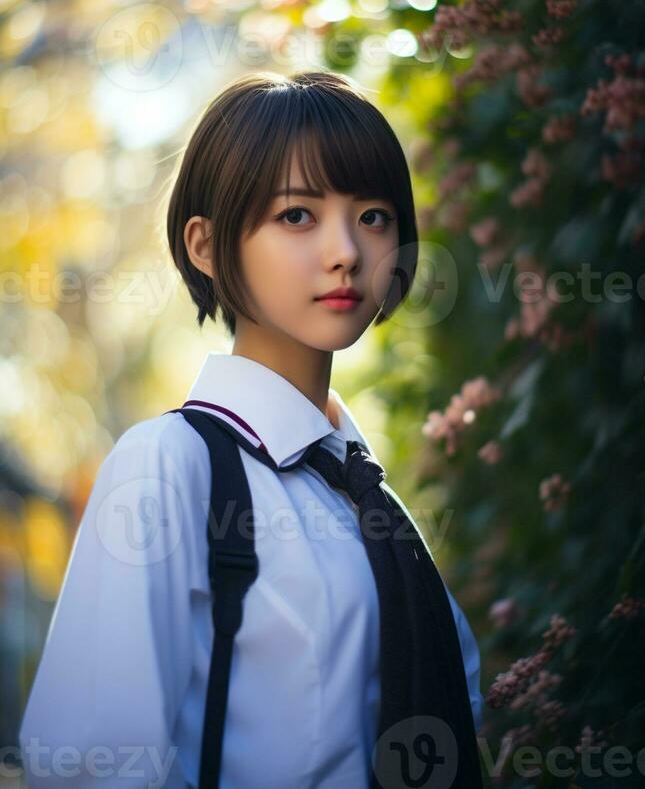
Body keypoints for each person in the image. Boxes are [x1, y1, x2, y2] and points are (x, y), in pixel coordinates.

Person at [18, 71, 484, 788]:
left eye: (374, 216)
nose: (346, 252)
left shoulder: (368, 499)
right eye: (297, 216)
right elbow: (88, 765)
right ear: (205, 245)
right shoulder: (168, 467)